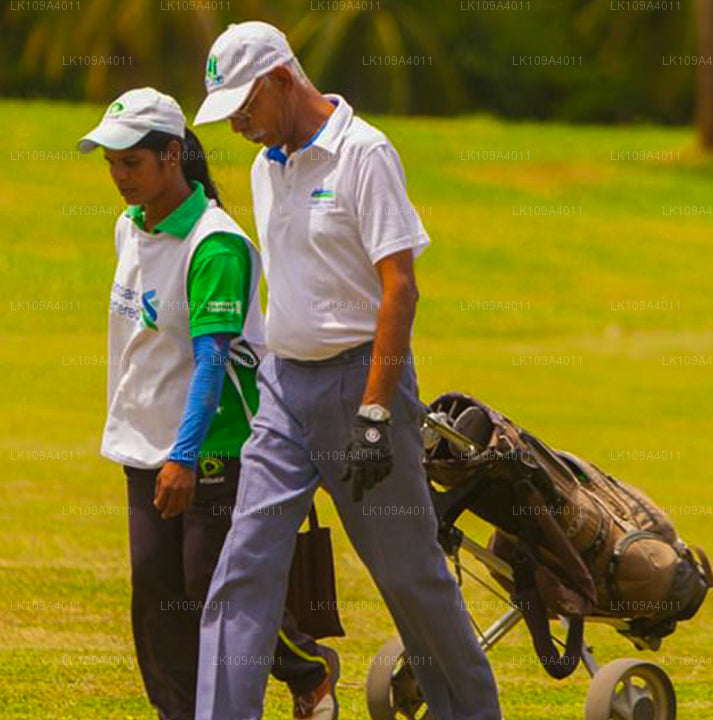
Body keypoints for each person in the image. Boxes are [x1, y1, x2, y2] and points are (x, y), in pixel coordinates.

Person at [191, 22, 503, 720]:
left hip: (360, 387)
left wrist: (374, 411)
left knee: (409, 576)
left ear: (280, 78)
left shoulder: (365, 153)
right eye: (229, 115)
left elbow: (401, 287)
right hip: (283, 389)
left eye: (245, 106)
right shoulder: (264, 165)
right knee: (242, 568)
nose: (238, 124)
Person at [79, 88, 341, 720]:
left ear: (172, 155)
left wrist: (185, 456)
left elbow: (213, 361)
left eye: (131, 162)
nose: (118, 176)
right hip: (143, 444)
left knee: (214, 589)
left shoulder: (215, 244)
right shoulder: (128, 227)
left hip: (213, 447)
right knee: (156, 601)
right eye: (111, 162)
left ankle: (307, 671)